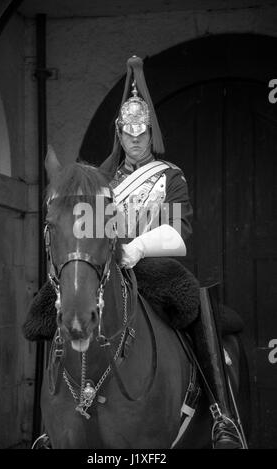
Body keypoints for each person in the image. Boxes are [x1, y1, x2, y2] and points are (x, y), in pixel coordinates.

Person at [100, 55, 245, 449]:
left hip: (154, 268)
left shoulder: (169, 176)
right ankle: (54, 417)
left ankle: (221, 416)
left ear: (151, 133)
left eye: (141, 131)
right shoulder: (101, 181)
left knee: (196, 307)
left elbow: (179, 235)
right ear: (119, 133)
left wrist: (139, 247)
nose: (134, 138)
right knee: (59, 303)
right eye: (127, 131)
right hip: (110, 273)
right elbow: (91, 231)